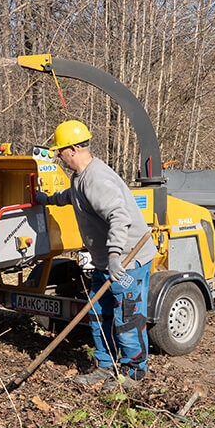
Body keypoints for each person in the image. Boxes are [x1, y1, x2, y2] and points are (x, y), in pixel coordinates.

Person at [35, 120, 156, 389]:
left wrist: (114, 256)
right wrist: (48, 199)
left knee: (127, 316)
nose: (59, 156)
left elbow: (119, 216)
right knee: (99, 313)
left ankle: (134, 372)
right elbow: (73, 196)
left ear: (74, 149)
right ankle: (105, 366)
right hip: (106, 262)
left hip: (127, 260)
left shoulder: (97, 179)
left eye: (60, 151)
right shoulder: (81, 177)